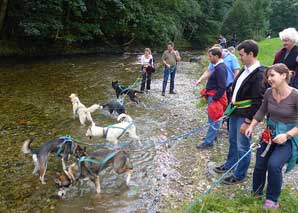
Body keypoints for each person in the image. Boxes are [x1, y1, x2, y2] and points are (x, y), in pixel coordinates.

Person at [245, 63, 298, 209]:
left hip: (289, 136)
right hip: (269, 134)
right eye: (268, 76)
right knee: (260, 164)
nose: (269, 78)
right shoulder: (269, 92)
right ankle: (256, 193)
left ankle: (272, 200)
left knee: (274, 165)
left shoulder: (295, 95)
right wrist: (251, 125)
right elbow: (262, 111)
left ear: (284, 76)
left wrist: (286, 135)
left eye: (272, 75)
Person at [213, 40, 266, 184]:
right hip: (235, 112)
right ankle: (230, 164)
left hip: (245, 116)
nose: (240, 57)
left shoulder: (259, 74)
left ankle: (239, 174)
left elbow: (258, 101)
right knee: (232, 140)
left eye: (242, 55)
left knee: (243, 145)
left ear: (251, 54)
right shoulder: (245, 69)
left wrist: (248, 122)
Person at [196, 47, 228, 148]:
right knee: (213, 119)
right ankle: (212, 137)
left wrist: (214, 99)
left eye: (210, 56)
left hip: (216, 98)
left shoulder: (220, 68)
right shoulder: (217, 66)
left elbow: (222, 86)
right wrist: (205, 93)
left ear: (216, 56)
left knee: (214, 120)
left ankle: (208, 142)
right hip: (212, 96)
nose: (209, 58)